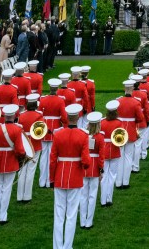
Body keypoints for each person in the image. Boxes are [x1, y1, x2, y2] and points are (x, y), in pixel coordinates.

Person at [49, 103, 91, 249]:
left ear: (66, 117)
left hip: (60, 176)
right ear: (79, 117)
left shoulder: (58, 134)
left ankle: (57, 245)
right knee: (71, 215)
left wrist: (52, 179)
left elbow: (52, 160)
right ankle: (67, 246)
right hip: (75, 177)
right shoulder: (83, 135)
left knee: (59, 214)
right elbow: (86, 161)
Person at [79, 111, 104, 228]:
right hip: (94, 168)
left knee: (83, 195)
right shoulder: (100, 137)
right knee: (92, 195)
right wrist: (101, 170)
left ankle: (82, 221)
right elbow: (101, 156)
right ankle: (89, 221)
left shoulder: (83, 135)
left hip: (84, 167)